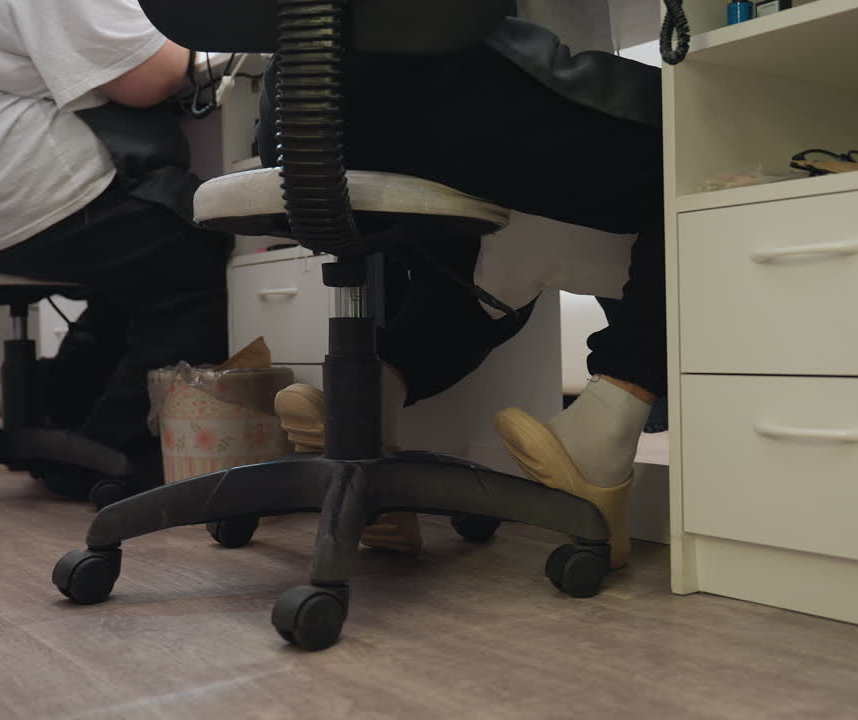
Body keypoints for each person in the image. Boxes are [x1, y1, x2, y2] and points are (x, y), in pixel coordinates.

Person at [265, 16, 664, 570]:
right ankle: (607, 429)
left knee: (480, 281)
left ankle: (365, 410)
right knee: (703, 137)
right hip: (437, 82)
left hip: (295, 113)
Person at [0, 0, 229, 498]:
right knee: (193, 254)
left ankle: (61, 424)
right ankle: (111, 453)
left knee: (141, 266)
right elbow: (153, 75)